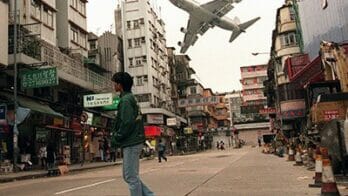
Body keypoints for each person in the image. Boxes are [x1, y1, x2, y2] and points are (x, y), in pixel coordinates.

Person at [111, 72, 154, 196]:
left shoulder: (125, 100)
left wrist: (117, 137)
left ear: (120, 85)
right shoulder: (130, 97)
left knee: (130, 177)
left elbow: (127, 123)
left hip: (131, 141)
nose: (113, 85)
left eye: (115, 83)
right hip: (134, 140)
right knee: (129, 176)